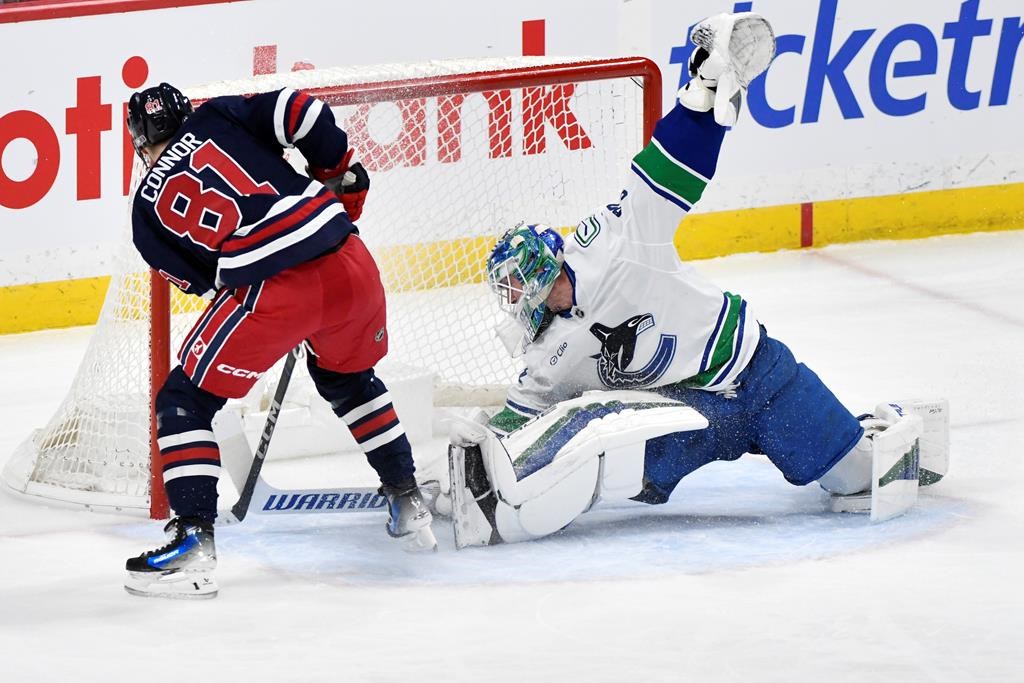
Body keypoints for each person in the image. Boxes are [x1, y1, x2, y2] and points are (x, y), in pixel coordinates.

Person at [447, 12, 949, 548]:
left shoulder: (613, 247)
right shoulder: (545, 353)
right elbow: (521, 416)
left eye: (516, 286)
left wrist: (704, 87)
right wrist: (465, 465)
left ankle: (891, 425)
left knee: (855, 487)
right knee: (603, 425)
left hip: (756, 373)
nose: (512, 301)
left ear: (543, 274)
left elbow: (663, 174)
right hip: (690, 411)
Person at [123, 82, 436, 598]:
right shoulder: (221, 116)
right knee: (346, 377)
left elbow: (211, 280)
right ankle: (407, 499)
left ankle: (192, 541)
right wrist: (334, 172)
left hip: (272, 289)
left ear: (140, 145)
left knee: (184, 400)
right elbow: (300, 109)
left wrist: (285, 314)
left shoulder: (144, 213)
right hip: (349, 260)